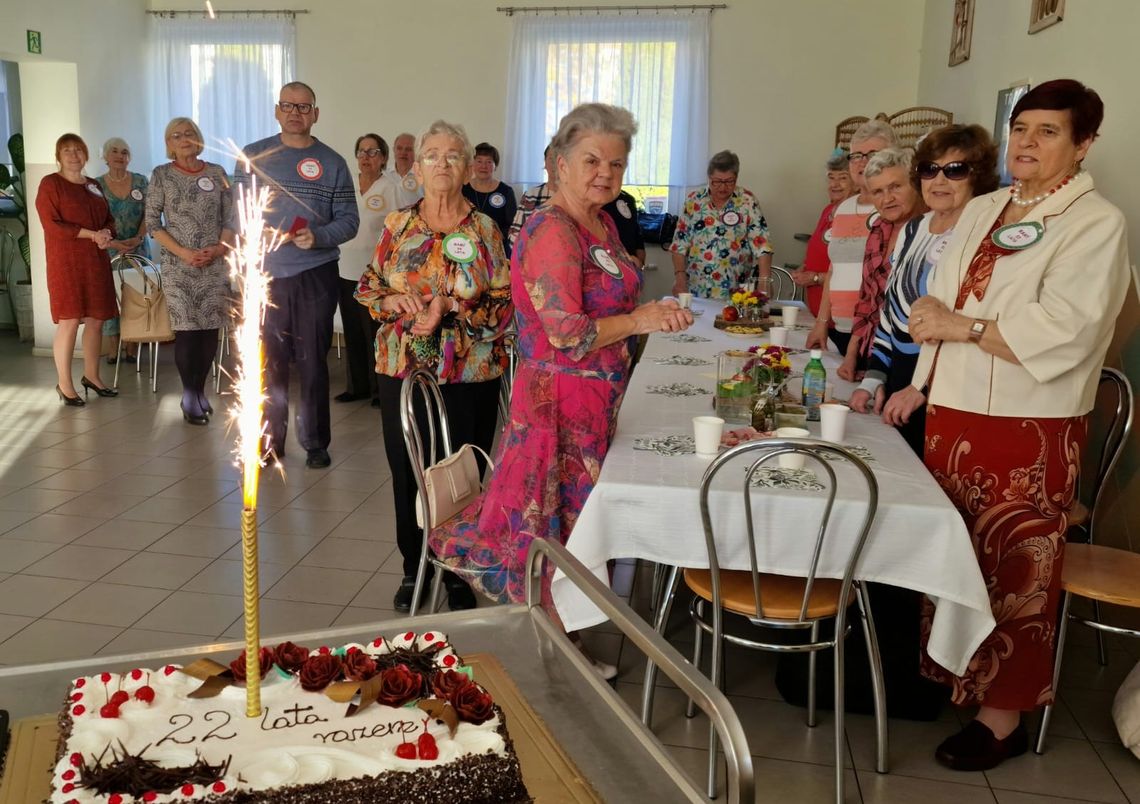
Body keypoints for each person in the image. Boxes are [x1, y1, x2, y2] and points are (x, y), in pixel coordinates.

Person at [903, 80, 1129, 771]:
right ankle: (962, 680)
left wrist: (961, 326)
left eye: (1049, 132)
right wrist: (922, 379)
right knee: (957, 555)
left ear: (1084, 144)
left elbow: (1070, 327)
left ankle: (1004, 718)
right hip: (956, 410)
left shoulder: (1096, 223)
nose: (1028, 143)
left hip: (1029, 424)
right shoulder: (989, 205)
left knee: (1016, 569)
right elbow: (944, 295)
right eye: (1022, 128)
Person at [426, 103, 691, 646]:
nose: (605, 173)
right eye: (592, 160)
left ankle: (559, 643)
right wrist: (641, 319)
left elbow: (606, 300)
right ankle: (549, 654)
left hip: (593, 403)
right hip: (559, 406)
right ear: (561, 163)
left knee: (574, 527)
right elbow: (567, 332)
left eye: (616, 165)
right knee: (555, 529)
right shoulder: (553, 230)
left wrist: (648, 315)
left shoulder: (600, 222)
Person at [355, 120, 513, 614]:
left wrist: (453, 309)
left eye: (452, 156)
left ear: (467, 168)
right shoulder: (397, 226)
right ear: (416, 168)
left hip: (470, 374)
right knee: (409, 471)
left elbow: (505, 306)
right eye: (431, 155)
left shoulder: (485, 229)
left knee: (462, 470)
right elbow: (368, 287)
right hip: (404, 370)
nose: (441, 164)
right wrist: (397, 301)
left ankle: (459, 567)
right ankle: (414, 567)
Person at [850, 124, 999, 455]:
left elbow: (972, 320)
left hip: (948, 386)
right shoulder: (914, 228)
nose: (940, 180)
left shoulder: (985, 234)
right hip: (901, 376)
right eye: (929, 170)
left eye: (955, 170)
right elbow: (891, 310)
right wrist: (874, 379)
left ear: (978, 175)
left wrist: (923, 385)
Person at [234, 81, 359, 468]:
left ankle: (316, 442)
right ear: (276, 110)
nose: (295, 113)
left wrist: (317, 237)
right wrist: (255, 233)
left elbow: (350, 221)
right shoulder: (253, 156)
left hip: (315, 273)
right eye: (288, 105)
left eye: (304, 107)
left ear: (316, 114)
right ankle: (270, 441)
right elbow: (236, 212)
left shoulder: (334, 162)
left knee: (312, 361)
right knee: (269, 361)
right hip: (265, 274)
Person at [147, 118, 234, 425]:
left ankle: (199, 392)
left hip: (214, 265)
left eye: (189, 133)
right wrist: (184, 252)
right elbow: (152, 225)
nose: (184, 139)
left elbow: (230, 220)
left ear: (198, 139)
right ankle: (190, 395)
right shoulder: (161, 175)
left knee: (210, 331)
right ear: (169, 144)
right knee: (187, 332)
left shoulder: (217, 172)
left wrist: (219, 249)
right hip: (178, 266)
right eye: (176, 135)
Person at [35, 133, 118, 406]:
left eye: (78, 150)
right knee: (70, 320)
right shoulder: (50, 185)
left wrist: (106, 231)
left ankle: (92, 377)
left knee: (96, 319)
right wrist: (92, 234)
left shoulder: (93, 185)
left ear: (86, 155)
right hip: (66, 261)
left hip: (95, 260)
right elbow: (52, 225)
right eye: (67, 150)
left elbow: (108, 217)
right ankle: (65, 384)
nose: (73, 155)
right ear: (58, 156)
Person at [807, 120, 901, 354]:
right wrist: (821, 324)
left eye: (872, 154)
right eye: (856, 155)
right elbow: (833, 269)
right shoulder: (843, 208)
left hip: (875, 334)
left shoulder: (893, 209)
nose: (862, 161)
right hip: (839, 329)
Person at [838, 147, 928, 382]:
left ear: (916, 184)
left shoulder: (931, 232)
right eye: (877, 191)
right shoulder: (879, 227)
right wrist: (851, 355)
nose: (887, 199)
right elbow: (867, 298)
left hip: (912, 358)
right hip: (872, 355)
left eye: (895, 187)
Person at [670, 150, 773, 299]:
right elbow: (679, 244)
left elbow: (762, 244)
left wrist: (764, 282)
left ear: (736, 177)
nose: (723, 188)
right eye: (717, 181)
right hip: (696, 288)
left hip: (738, 291)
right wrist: (679, 278)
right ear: (709, 177)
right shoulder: (694, 201)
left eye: (729, 181)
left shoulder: (747, 201)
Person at [335, 133, 388, 407]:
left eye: (372, 152)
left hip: (375, 275)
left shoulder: (390, 187)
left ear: (383, 157)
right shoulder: (347, 185)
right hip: (345, 268)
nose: (366, 158)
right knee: (352, 330)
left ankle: (380, 389)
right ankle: (357, 387)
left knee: (374, 333)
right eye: (361, 152)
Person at [96, 137, 148, 365]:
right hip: (109, 250)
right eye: (114, 151)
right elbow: (95, 219)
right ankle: (112, 348)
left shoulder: (140, 181)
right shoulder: (96, 185)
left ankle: (132, 346)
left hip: (138, 248)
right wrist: (115, 243)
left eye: (124, 152)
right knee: (110, 297)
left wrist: (138, 237)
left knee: (135, 296)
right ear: (105, 157)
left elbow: (151, 213)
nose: (119, 156)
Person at [789, 150, 854, 317]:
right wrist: (805, 268)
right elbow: (818, 249)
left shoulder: (856, 215)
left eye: (843, 178)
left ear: (857, 181)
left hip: (840, 314)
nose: (835, 184)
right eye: (831, 177)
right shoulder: (828, 210)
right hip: (817, 310)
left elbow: (854, 273)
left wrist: (816, 278)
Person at [462, 142, 517, 253]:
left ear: (495, 166)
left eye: (489, 162)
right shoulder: (462, 189)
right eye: (479, 161)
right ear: (472, 164)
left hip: (498, 248)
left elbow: (513, 225)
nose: (483, 166)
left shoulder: (506, 191)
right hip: (467, 247)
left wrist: (495, 236)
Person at [507, 143, 557, 249]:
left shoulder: (577, 197)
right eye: (551, 159)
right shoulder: (531, 195)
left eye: (559, 158)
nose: (555, 164)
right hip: (532, 257)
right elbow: (514, 234)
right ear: (545, 162)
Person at [376, 132, 422, 211]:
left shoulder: (423, 176)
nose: (403, 153)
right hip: (386, 221)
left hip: (414, 221)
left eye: (408, 149)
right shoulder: (382, 175)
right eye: (399, 148)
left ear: (416, 152)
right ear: (394, 150)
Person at [602, 189, 646, 266]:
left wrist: (640, 262)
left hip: (630, 262)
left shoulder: (628, 199)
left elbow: (635, 230)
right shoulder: (591, 202)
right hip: (606, 262)